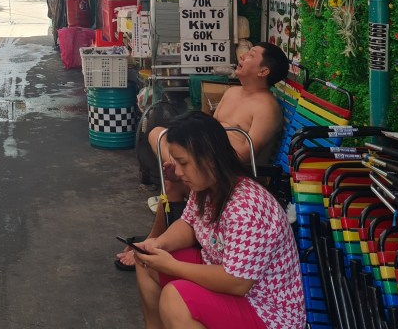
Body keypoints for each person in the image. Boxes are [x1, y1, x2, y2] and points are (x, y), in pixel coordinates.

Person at [118, 42, 289, 269]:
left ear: (263, 71)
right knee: (158, 134)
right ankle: (160, 237)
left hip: (228, 174)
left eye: (251, 54)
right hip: (204, 161)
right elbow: (208, 131)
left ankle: (155, 240)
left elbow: (245, 155)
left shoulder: (267, 107)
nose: (243, 56)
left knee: (173, 181)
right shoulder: (232, 92)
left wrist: (202, 163)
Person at [127, 111, 305, 329]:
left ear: (209, 159)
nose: (178, 172)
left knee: (176, 300)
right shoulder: (207, 186)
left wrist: (172, 266)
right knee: (147, 260)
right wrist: (158, 244)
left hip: (265, 310)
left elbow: (237, 282)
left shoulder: (247, 208)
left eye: (183, 162)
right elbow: (188, 224)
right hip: (223, 274)